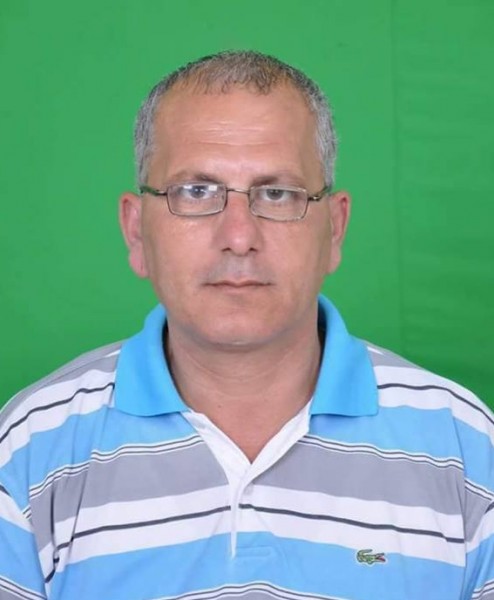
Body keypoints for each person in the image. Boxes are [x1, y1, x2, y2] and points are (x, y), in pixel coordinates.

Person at [0, 50, 492, 600]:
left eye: (277, 193)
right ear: (136, 231)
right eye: (196, 192)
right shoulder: (25, 453)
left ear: (334, 229)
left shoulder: (468, 451)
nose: (239, 237)